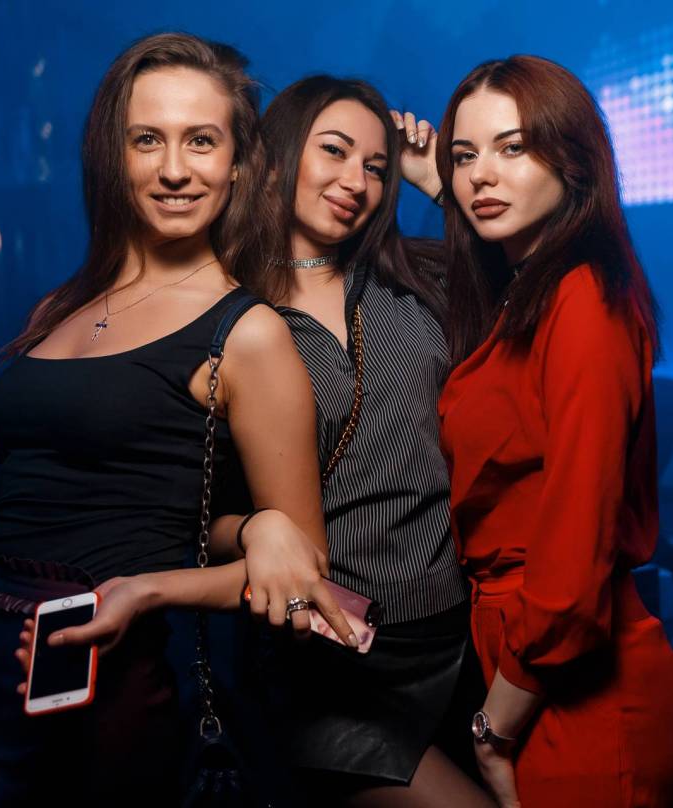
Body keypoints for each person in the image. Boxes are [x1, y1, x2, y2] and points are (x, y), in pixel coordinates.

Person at [0, 33, 353, 808]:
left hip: (123, 693)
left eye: (202, 140)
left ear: (238, 163)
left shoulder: (246, 333)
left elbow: (302, 570)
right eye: (147, 139)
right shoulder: (57, 308)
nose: (175, 169)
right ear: (110, 156)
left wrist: (149, 592)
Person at [212, 75, 493, 807]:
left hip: (456, 642)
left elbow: (535, 293)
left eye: (375, 166)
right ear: (277, 156)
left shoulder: (420, 278)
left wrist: (437, 182)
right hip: (327, 666)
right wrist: (255, 531)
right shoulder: (226, 318)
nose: (355, 182)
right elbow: (189, 513)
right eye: (334, 151)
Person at [432, 55, 673, 807]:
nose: (481, 175)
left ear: (573, 159)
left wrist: (495, 729)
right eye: (464, 156)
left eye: (513, 147)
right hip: (522, 663)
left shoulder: (582, 300)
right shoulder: (528, 292)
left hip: (577, 693)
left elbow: (575, 552)